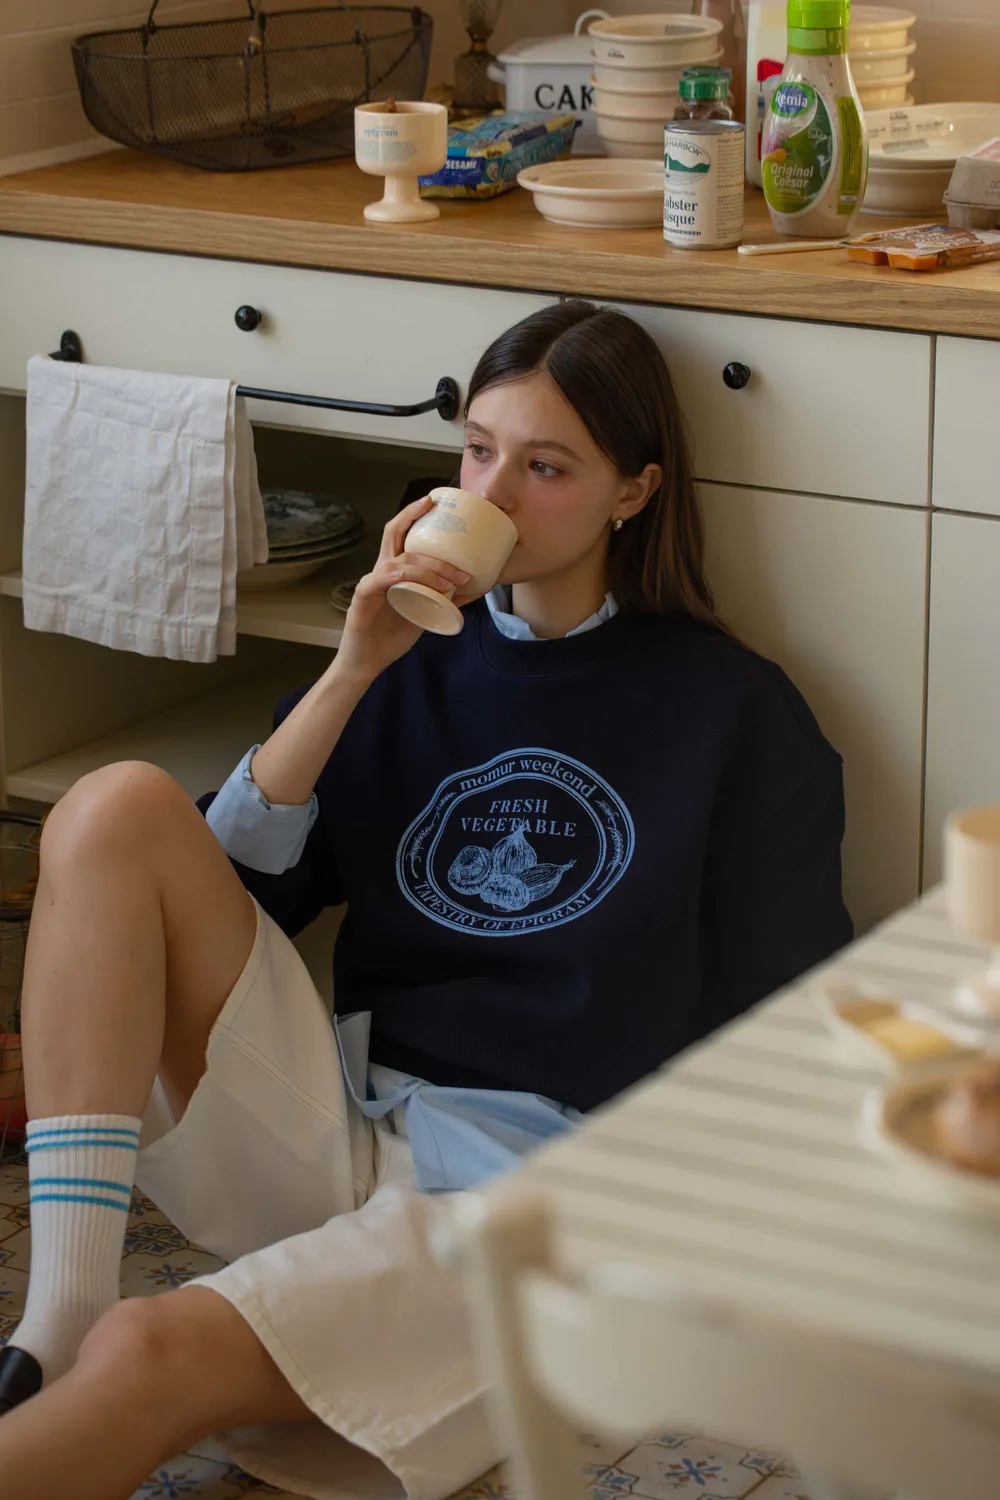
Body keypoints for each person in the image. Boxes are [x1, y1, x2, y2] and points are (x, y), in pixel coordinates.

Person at [0, 301, 852, 1500]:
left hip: (528, 1185)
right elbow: (230, 893)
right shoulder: (406, 670)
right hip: (338, 1120)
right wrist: (353, 670)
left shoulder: (732, 712)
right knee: (114, 807)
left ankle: (127, 1344)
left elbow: (784, 1018)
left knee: (154, 1351)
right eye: (478, 451)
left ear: (633, 489)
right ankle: (61, 1308)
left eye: (545, 467)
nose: (492, 494)